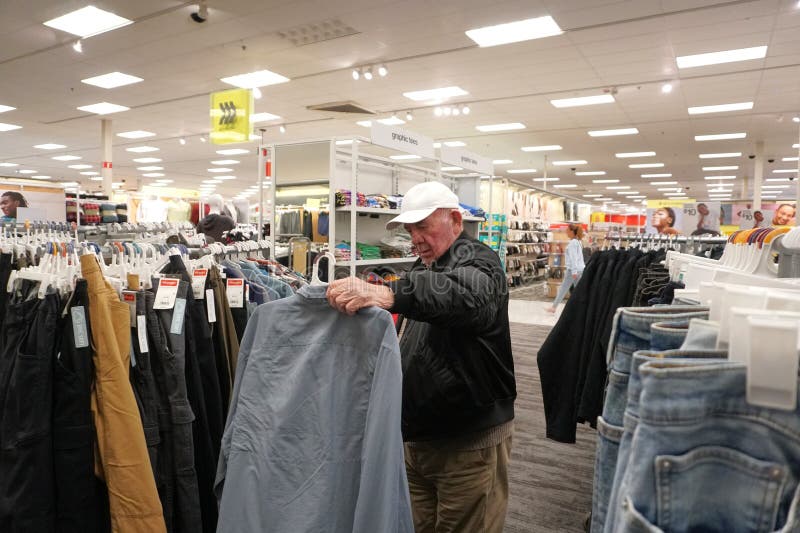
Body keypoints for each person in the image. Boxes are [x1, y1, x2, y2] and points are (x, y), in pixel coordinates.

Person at [326, 181, 516, 533]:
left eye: (424, 226)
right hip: (419, 440)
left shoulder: (481, 264)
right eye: (410, 229)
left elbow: (462, 296)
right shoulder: (425, 264)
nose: (415, 237)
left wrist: (388, 292)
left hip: (468, 444)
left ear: (456, 221)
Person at [546, 223, 585, 313]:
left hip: (573, 270)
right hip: (579, 269)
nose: (566, 233)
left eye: (567, 231)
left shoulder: (573, 243)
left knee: (564, 288)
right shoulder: (578, 241)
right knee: (578, 289)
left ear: (572, 231)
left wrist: (574, 271)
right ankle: (580, 307)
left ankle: (554, 307)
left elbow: (574, 258)